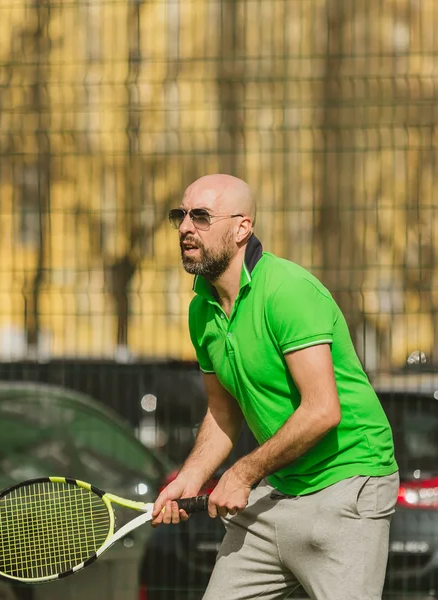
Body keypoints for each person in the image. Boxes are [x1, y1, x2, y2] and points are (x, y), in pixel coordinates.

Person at [151, 174, 399, 600]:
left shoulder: (288, 292)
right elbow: (222, 411)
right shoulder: (201, 311)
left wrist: (243, 473)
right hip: (277, 489)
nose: (185, 228)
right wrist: (191, 477)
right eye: (181, 216)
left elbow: (322, 410)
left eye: (201, 217)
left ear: (242, 228)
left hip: (348, 484)